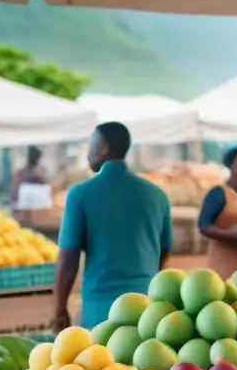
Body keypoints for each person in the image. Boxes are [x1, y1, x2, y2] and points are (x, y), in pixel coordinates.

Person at [53, 122, 172, 331]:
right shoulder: (157, 195)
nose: (88, 153)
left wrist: (60, 308)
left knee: (100, 362)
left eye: (91, 145)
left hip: (100, 311)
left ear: (105, 148)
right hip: (147, 310)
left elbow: (68, 258)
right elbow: (165, 250)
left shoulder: (80, 193)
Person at [198, 146, 237, 277]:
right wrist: (231, 235)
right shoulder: (218, 193)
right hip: (224, 267)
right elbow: (203, 226)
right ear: (231, 166)